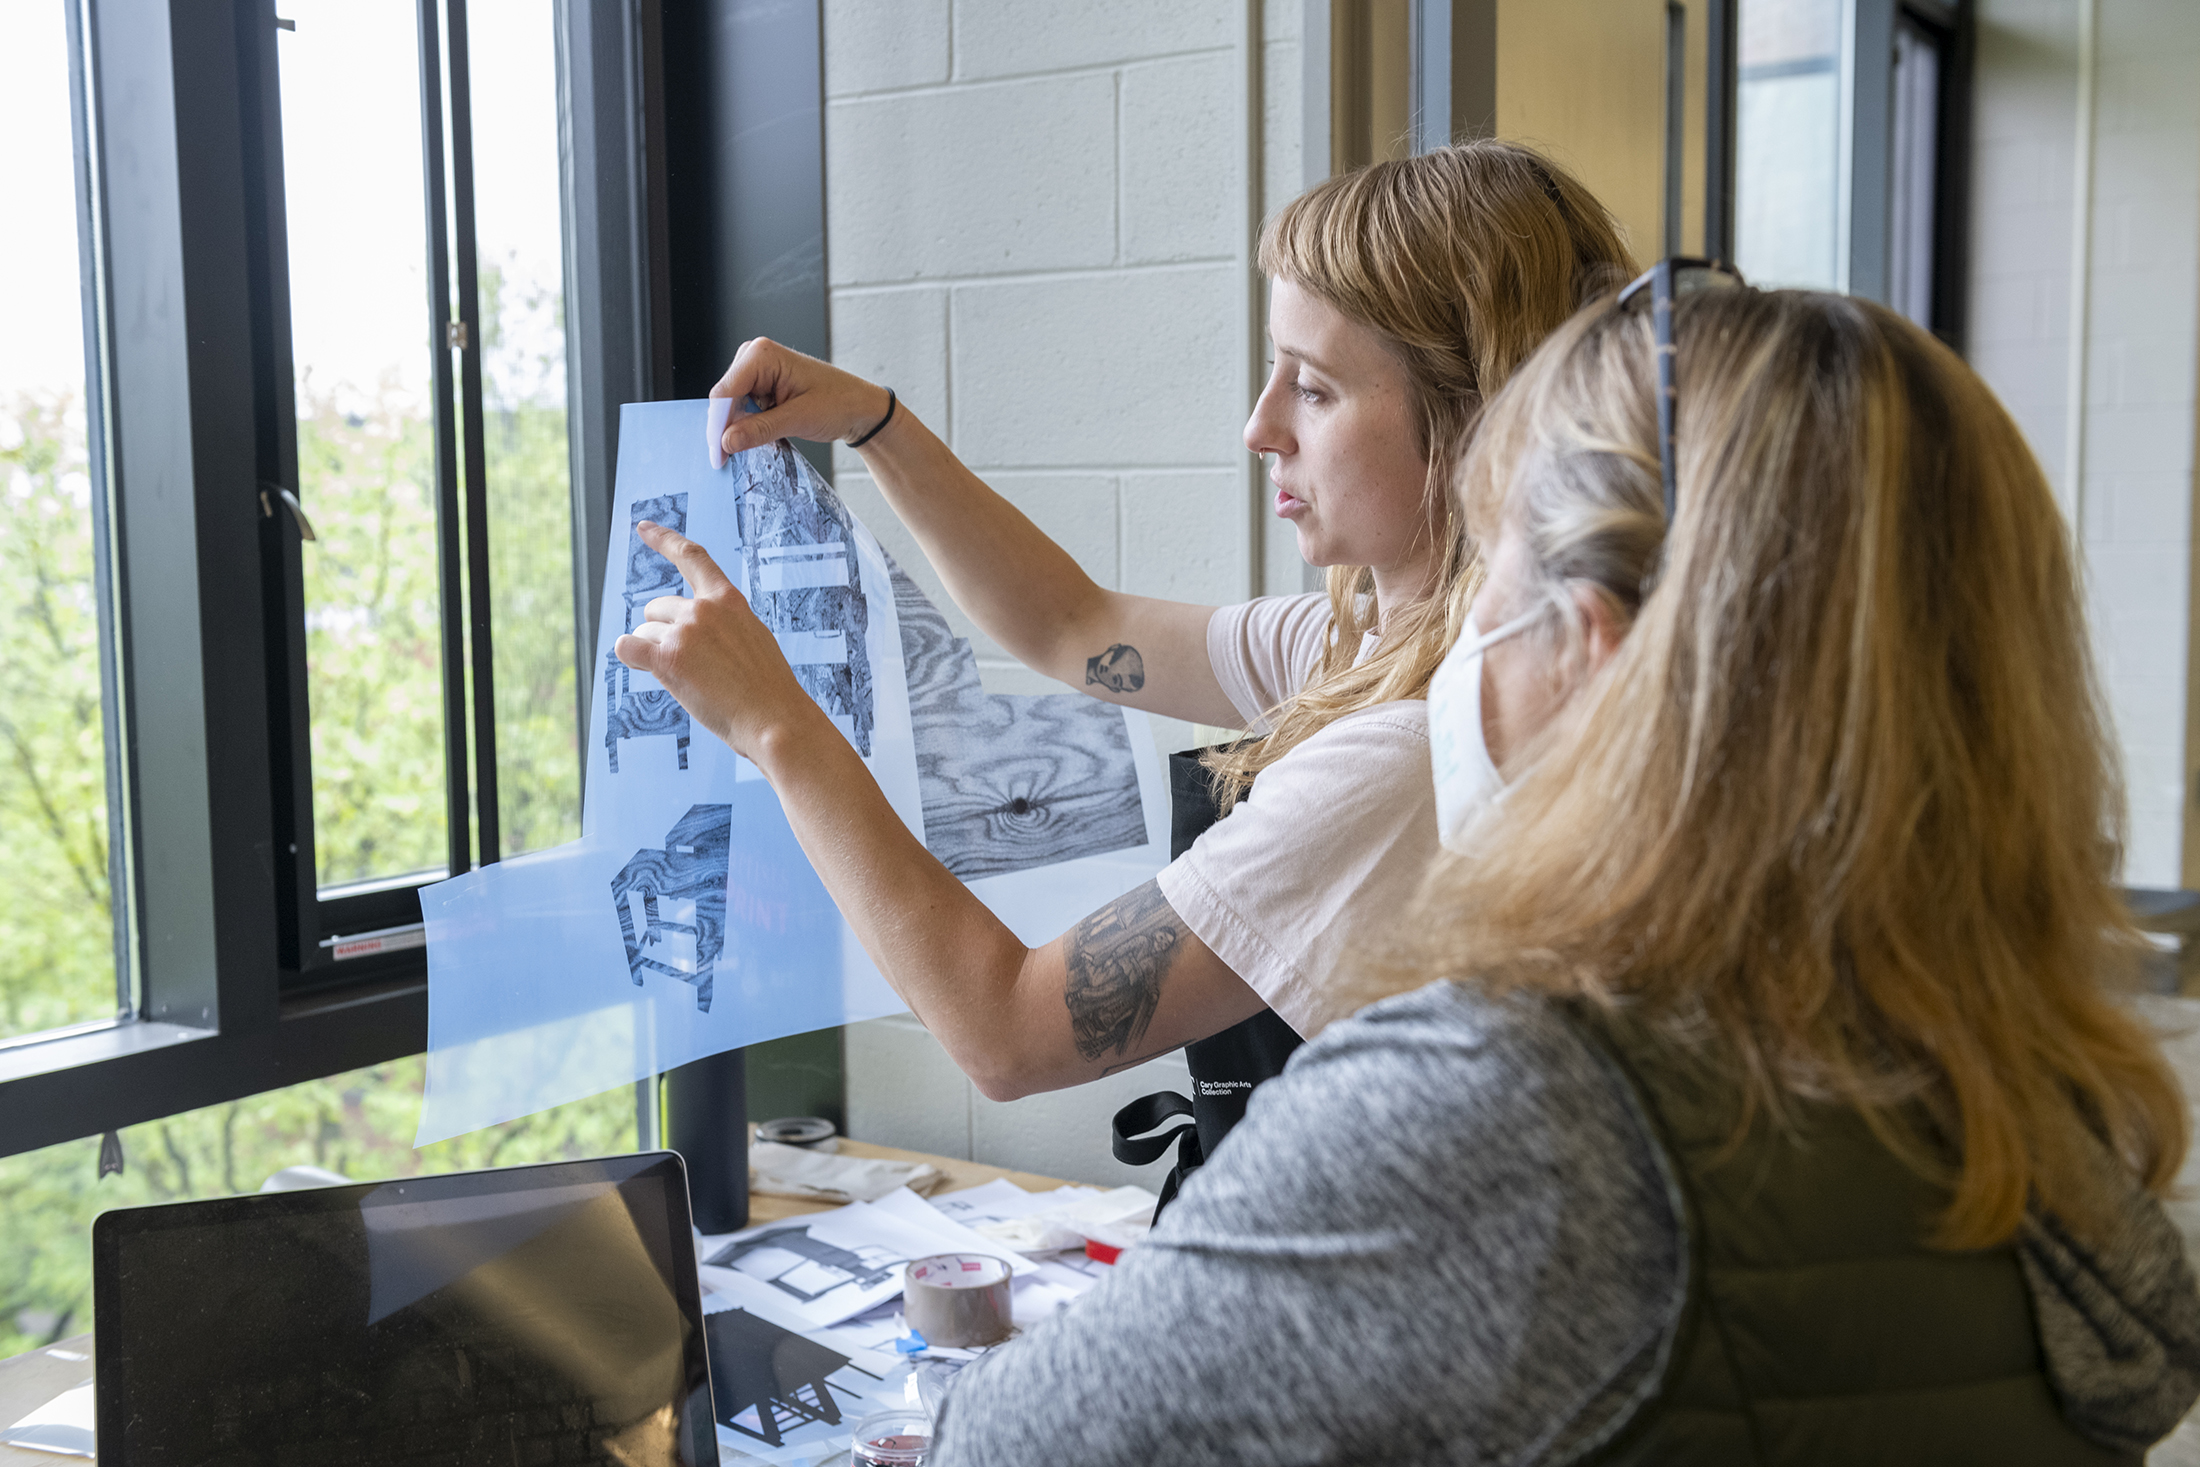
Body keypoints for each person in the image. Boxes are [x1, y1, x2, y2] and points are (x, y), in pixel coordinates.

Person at [920, 279, 2200, 1464]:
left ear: (1587, 653)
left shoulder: (1512, 1110)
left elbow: (1016, 1446)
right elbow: (1077, 626)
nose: (1458, 631)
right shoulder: (2034, 1086)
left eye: (1490, 569)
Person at [615, 143, 1632, 1136]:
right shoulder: (1357, 644)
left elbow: (1008, 1032)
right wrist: (878, 426)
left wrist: (777, 725)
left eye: (1313, 388)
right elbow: (1072, 628)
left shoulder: (1405, 752)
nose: (1258, 425)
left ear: (1472, 425)